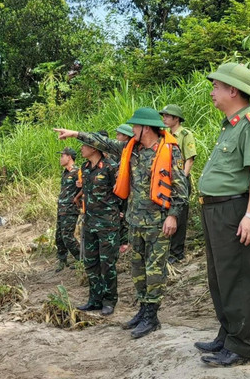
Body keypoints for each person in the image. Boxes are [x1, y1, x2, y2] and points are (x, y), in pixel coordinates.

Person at [54, 107, 188, 339]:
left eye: (135, 126)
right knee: (138, 270)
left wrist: (173, 216)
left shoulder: (169, 151)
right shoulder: (131, 150)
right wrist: (76, 134)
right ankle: (143, 310)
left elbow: (180, 188)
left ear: (146, 128)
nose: (131, 130)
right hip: (136, 221)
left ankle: (151, 316)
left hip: (158, 222)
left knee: (154, 271)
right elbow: (103, 143)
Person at [194, 63, 250, 367]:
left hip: (234, 209)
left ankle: (240, 347)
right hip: (215, 209)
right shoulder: (231, 124)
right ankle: (227, 335)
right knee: (219, 276)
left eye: (216, 86)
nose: (212, 92)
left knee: (237, 277)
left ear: (233, 90)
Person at [76, 139, 122, 316]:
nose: (81, 148)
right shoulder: (85, 167)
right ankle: (95, 299)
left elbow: (120, 193)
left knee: (107, 263)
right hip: (89, 222)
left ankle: (109, 300)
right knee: (91, 263)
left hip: (107, 224)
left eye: (84, 145)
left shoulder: (110, 166)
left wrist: (119, 214)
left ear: (94, 148)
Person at [159, 104, 197, 263]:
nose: (164, 119)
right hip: (167, 180)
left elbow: (190, 158)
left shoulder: (184, 134)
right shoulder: (165, 135)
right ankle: (168, 249)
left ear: (176, 118)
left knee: (179, 216)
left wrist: (181, 179)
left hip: (180, 179)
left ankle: (177, 252)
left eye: (168, 116)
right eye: (164, 116)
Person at [55, 147, 81, 272]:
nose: (61, 158)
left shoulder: (77, 171)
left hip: (70, 209)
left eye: (62, 156)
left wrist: (77, 198)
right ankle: (62, 260)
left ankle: (82, 258)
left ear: (69, 157)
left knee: (67, 236)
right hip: (61, 207)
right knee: (59, 235)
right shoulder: (65, 172)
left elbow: (85, 186)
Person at [114, 124, 134, 253]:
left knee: (127, 215)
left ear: (125, 136)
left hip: (131, 191)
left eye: (118, 135)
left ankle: (127, 242)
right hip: (122, 189)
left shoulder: (132, 151)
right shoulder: (122, 152)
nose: (116, 137)